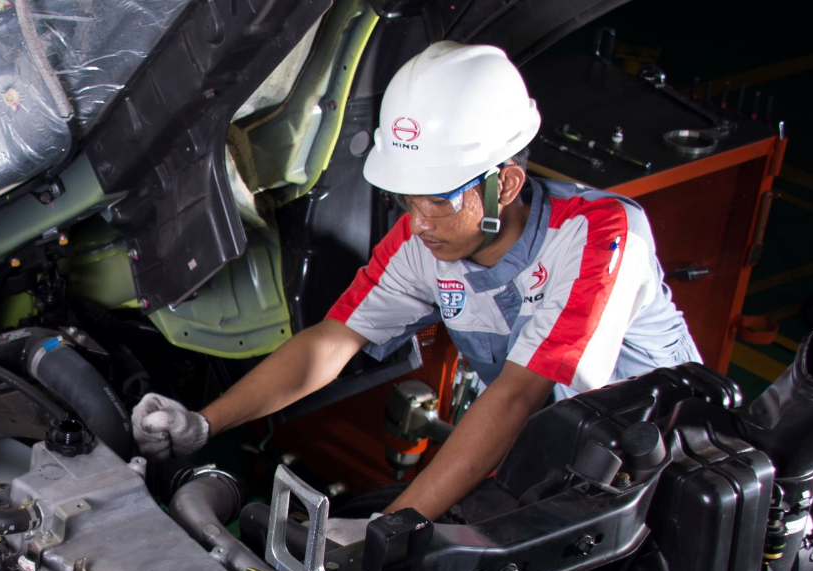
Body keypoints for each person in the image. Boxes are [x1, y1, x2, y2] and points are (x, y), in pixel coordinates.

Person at [132, 41, 699, 532]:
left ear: (506, 183)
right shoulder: (422, 241)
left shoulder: (598, 234)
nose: (419, 221)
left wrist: (391, 528)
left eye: (439, 199)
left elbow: (516, 396)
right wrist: (206, 422)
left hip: (670, 466)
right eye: (407, 198)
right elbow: (331, 342)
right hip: (551, 460)